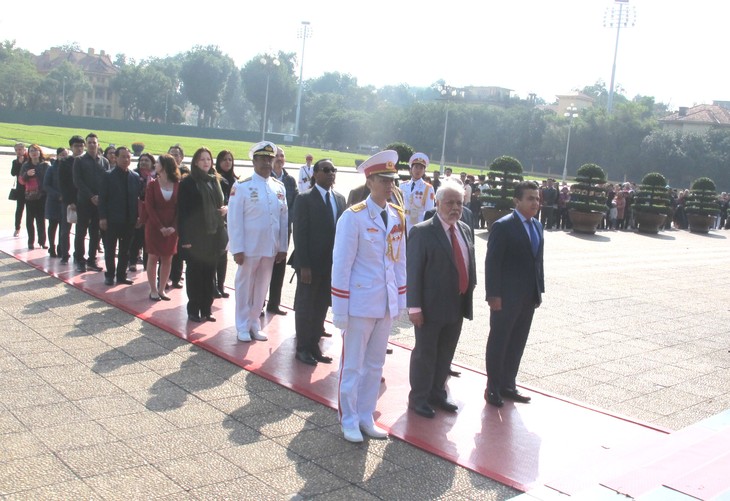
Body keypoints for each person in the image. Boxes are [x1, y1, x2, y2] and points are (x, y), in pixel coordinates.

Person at [331, 150, 407, 443]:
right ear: (370, 180)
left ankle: (365, 415)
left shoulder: (396, 215)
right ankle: (348, 418)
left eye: (392, 179)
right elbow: (342, 265)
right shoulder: (354, 217)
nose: (390, 185)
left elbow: (399, 262)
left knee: (375, 365)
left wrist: (400, 300)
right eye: (384, 179)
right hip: (360, 304)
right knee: (352, 365)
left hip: (385, 304)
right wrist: (339, 310)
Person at [407, 179, 476, 418]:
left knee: (445, 354)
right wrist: (414, 307)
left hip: (456, 304)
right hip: (429, 307)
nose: (455, 207)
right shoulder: (422, 231)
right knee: (425, 354)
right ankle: (419, 398)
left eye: (459, 202)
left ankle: (437, 392)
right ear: (437, 203)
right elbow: (413, 272)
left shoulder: (465, 229)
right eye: (449, 202)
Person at [485, 180, 544, 407]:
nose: (535, 203)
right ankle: (492, 387)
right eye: (530, 198)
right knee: (499, 341)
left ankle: (508, 384)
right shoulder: (503, 226)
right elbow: (493, 263)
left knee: (517, 342)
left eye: (537, 199)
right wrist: (494, 295)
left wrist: (538, 291)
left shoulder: (537, 226)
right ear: (517, 200)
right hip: (505, 298)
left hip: (528, 297)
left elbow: (538, 262)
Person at [227, 141, 288, 342]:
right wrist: (237, 248)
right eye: (262, 159)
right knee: (245, 287)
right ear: (253, 161)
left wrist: (283, 246)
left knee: (262, 287)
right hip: (249, 246)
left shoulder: (278, 187)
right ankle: (242, 325)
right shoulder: (242, 185)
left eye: (270, 159)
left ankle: (254, 322)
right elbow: (234, 219)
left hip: (270, 247)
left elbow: (283, 219)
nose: (267, 163)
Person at [291, 158, 346, 366]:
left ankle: (315, 346)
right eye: (326, 169)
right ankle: (302, 348)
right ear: (315, 174)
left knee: (321, 306)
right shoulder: (304, 198)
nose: (331, 173)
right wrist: (304, 264)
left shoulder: (340, 199)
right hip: (310, 265)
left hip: (330, 265)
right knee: (306, 306)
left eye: (334, 169)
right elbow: (300, 233)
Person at [178, 147, 228, 322]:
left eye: (208, 159)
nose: (206, 162)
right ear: (195, 162)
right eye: (202, 159)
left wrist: (225, 210)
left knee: (209, 273)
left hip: (214, 235)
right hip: (196, 236)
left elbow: (223, 203)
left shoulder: (215, 181)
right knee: (194, 273)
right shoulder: (188, 183)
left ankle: (206, 308)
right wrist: (185, 239)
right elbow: (182, 213)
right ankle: (193, 309)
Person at [98, 147, 142, 286]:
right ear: (115, 158)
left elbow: (138, 199)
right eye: (123, 157)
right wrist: (103, 217)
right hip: (112, 220)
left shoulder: (135, 177)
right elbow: (102, 199)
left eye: (128, 157)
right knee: (110, 249)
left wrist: (138, 217)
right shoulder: (108, 175)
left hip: (129, 220)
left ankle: (121, 275)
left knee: (125, 250)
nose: (126, 160)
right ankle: (110, 274)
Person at [266, 146, 298, 315]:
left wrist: (286, 220)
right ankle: (259, 304)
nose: (279, 158)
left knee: (279, 267)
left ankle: (274, 303)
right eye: (276, 156)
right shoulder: (265, 178)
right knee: (264, 267)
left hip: (284, 230)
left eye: (282, 156)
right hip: (268, 230)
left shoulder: (290, 180)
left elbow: (293, 204)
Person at [145, 154, 180, 301]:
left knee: (168, 258)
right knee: (153, 256)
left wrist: (173, 227)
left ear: (165, 166)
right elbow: (149, 207)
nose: (155, 165)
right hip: (154, 227)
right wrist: (160, 227)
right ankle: (153, 289)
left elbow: (181, 208)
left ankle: (162, 289)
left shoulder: (178, 184)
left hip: (172, 227)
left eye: (158, 163)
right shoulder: (152, 184)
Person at [72, 133, 109, 272]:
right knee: (81, 231)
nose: (92, 144)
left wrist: (101, 197)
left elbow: (106, 180)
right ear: (86, 145)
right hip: (84, 201)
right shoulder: (79, 160)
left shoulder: (104, 161)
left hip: (99, 203)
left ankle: (92, 259)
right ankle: (80, 259)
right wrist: (91, 196)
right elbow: (78, 181)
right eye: (90, 142)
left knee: (95, 232)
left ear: (98, 144)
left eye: (95, 142)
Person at [214, 149, 237, 298]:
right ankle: (212, 285)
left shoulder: (236, 181)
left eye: (230, 159)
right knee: (215, 254)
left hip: (230, 222)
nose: (227, 162)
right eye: (224, 159)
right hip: (217, 222)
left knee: (223, 255)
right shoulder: (215, 179)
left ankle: (220, 286)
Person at [58, 135, 85, 264]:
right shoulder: (64, 162)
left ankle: (79, 255)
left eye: (81, 146)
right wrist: (70, 201)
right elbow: (63, 183)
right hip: (69, 200)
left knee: (81, 230)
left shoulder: (86, 161)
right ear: (71, 147)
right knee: (65, 229)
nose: (79, 148)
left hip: (83, 200)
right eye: (76, 146)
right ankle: (64, 254)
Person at [19, 144, 49, 250]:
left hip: (42, 196)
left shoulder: (45, 165)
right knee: (30, 220)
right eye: (31, 151)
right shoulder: (26, 165)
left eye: (36, 150)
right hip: (30, 196)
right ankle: (30, 241)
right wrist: (27, 174)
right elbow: (21, 180)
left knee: (41, 220)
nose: (34, 152)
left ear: (40, 152)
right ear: (29, 154)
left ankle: (42, 241)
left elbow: (49, 179)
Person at [129, 153, 155, 271]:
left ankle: (147, 263)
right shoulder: (133, 174)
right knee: (136, 237)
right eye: (142, 160)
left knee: (148, 240)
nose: (144, 163)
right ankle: (132, 261)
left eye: (147, 160)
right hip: (137, 210)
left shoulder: (157, 175)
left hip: (151, 211)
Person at [167, 144, 188, 288]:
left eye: (177, 154)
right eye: (171, 154)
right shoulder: (162, 172)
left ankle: (176, 277)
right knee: (165, 249)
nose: (174, 157)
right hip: (166, 214)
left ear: (181, 158)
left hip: (180, 215)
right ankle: (163, 276)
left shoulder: (186, 173)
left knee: (178, 250)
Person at [400, 152, 435, 234]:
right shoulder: (402, 185)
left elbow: (429, 211)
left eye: (421, 168)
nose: (418, 170)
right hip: (402, 222)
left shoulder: (428, 188)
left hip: (418, 223)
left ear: (424, 171)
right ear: (411, 169)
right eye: (416, 167)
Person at [42, 148, 67, 257]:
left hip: (65, 202)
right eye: (62, 155)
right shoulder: (51, 169)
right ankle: (52, 246)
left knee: (64, 228)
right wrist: (58, 195)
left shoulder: (69, 168)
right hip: (53, 202)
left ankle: (62, 248)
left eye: (66, 155)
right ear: (57, 156)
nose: (64, 157)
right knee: (52, 226)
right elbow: (46, 185)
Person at [10, 143, 28, 238]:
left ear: (25, 150)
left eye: (20, 149)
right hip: (20, 189)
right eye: (16, 150)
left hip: (30, 188)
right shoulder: (15, 161)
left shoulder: (29, 160)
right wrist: (18, 163)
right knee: (19, 209)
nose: (19, 151)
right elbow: (13, 173)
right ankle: (17, 228)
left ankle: (30, 230)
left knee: (30, 211)